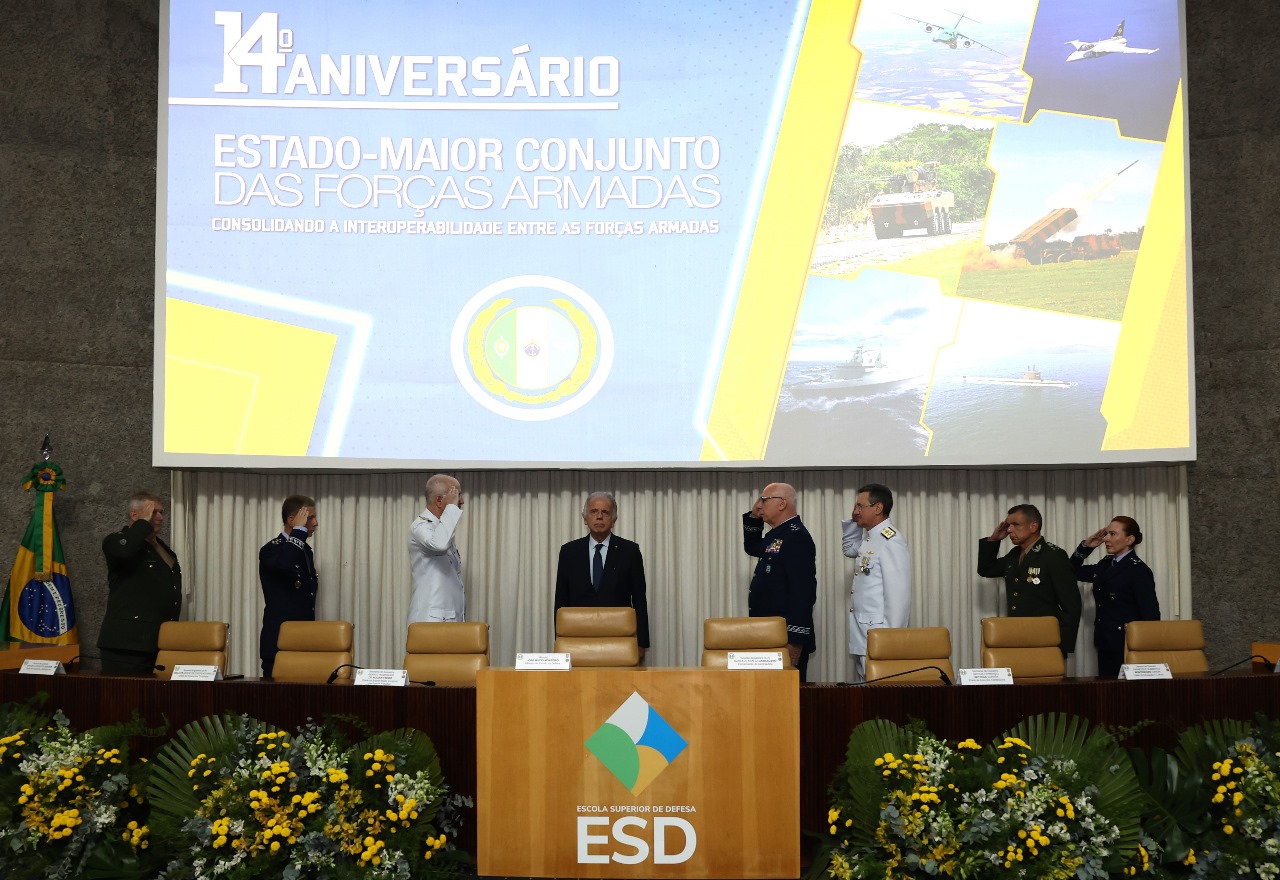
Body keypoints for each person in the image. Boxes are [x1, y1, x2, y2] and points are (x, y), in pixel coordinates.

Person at [553, 492, 650, 661]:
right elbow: (561, 600)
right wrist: (559, 639)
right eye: (594, 511)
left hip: (618, 640)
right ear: (585, 518)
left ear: (613, 520)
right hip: (577, 639)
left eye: (605, 512)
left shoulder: (630, 551)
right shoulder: (569, 552)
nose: (599, 517)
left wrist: (641, 643)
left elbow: (639, 600)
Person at [977, 504, 1082, 656]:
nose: (1009, 530)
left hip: (1046, 641)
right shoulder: (1014, 555)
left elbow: (1071, 605)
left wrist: (1061, 646)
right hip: (1017, 637)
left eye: (1016, 525)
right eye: (1008, 525)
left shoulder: (1053, 555)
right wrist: (993, 540)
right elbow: (986, 569)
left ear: (1033, 526)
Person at [98, 491, 182, 675]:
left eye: (161, 512)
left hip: (159, 640)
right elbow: (124, 551)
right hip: (127, 644)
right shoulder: (115, 541)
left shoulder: (163, 549)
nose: (160, 517)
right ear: (135, 515)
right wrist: (143, 523)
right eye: (152, 512)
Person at [1070, 516, 1160, 678]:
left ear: (1129, 539)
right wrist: (1086, 547)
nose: (1106, 539)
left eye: (1112, 534)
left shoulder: (1139, 571)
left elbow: (1150, 615)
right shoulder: (1106, 564)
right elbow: (1071, 572)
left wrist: (1144, 651)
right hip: (1105, 641)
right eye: (1106, 534)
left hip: (1127, 646)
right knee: (1107, 691)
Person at [745, 483, 817, 681]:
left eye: (764, 500)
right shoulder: (778, 533)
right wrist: (754, 517)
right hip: (768, 633)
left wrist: (795, 640)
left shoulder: (796, 537)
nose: (759, 505)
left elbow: (803, 592)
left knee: (786, 694)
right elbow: (752, 547)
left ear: (782, 503)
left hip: (784, 637)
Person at [841, 483, 911, 682]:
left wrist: (890, 641)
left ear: (878, 507)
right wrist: (855, 520)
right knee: (865, 688)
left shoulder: (891, 540)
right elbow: (849, 549)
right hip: (863, 633)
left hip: (879, 636)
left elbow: (898, 597)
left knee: (879, 689)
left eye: (860, 506)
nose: (856, 511)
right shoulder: (871, 537)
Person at [259, 494, 319, 677]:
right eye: (309, 518)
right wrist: (298, 531)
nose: (315, 523)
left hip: (302, 640)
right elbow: (284, 563)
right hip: (278, 642)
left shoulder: (305, 551)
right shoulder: (271, 549)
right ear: (292, 520)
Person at [408, 474, 466, 623]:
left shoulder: (441, 528)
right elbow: (439, 545)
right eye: (456, 495)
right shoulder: (420, 526)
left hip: (448, 618)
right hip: (431, 619)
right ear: (439, 500)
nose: (461, 501)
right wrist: (452, 508)